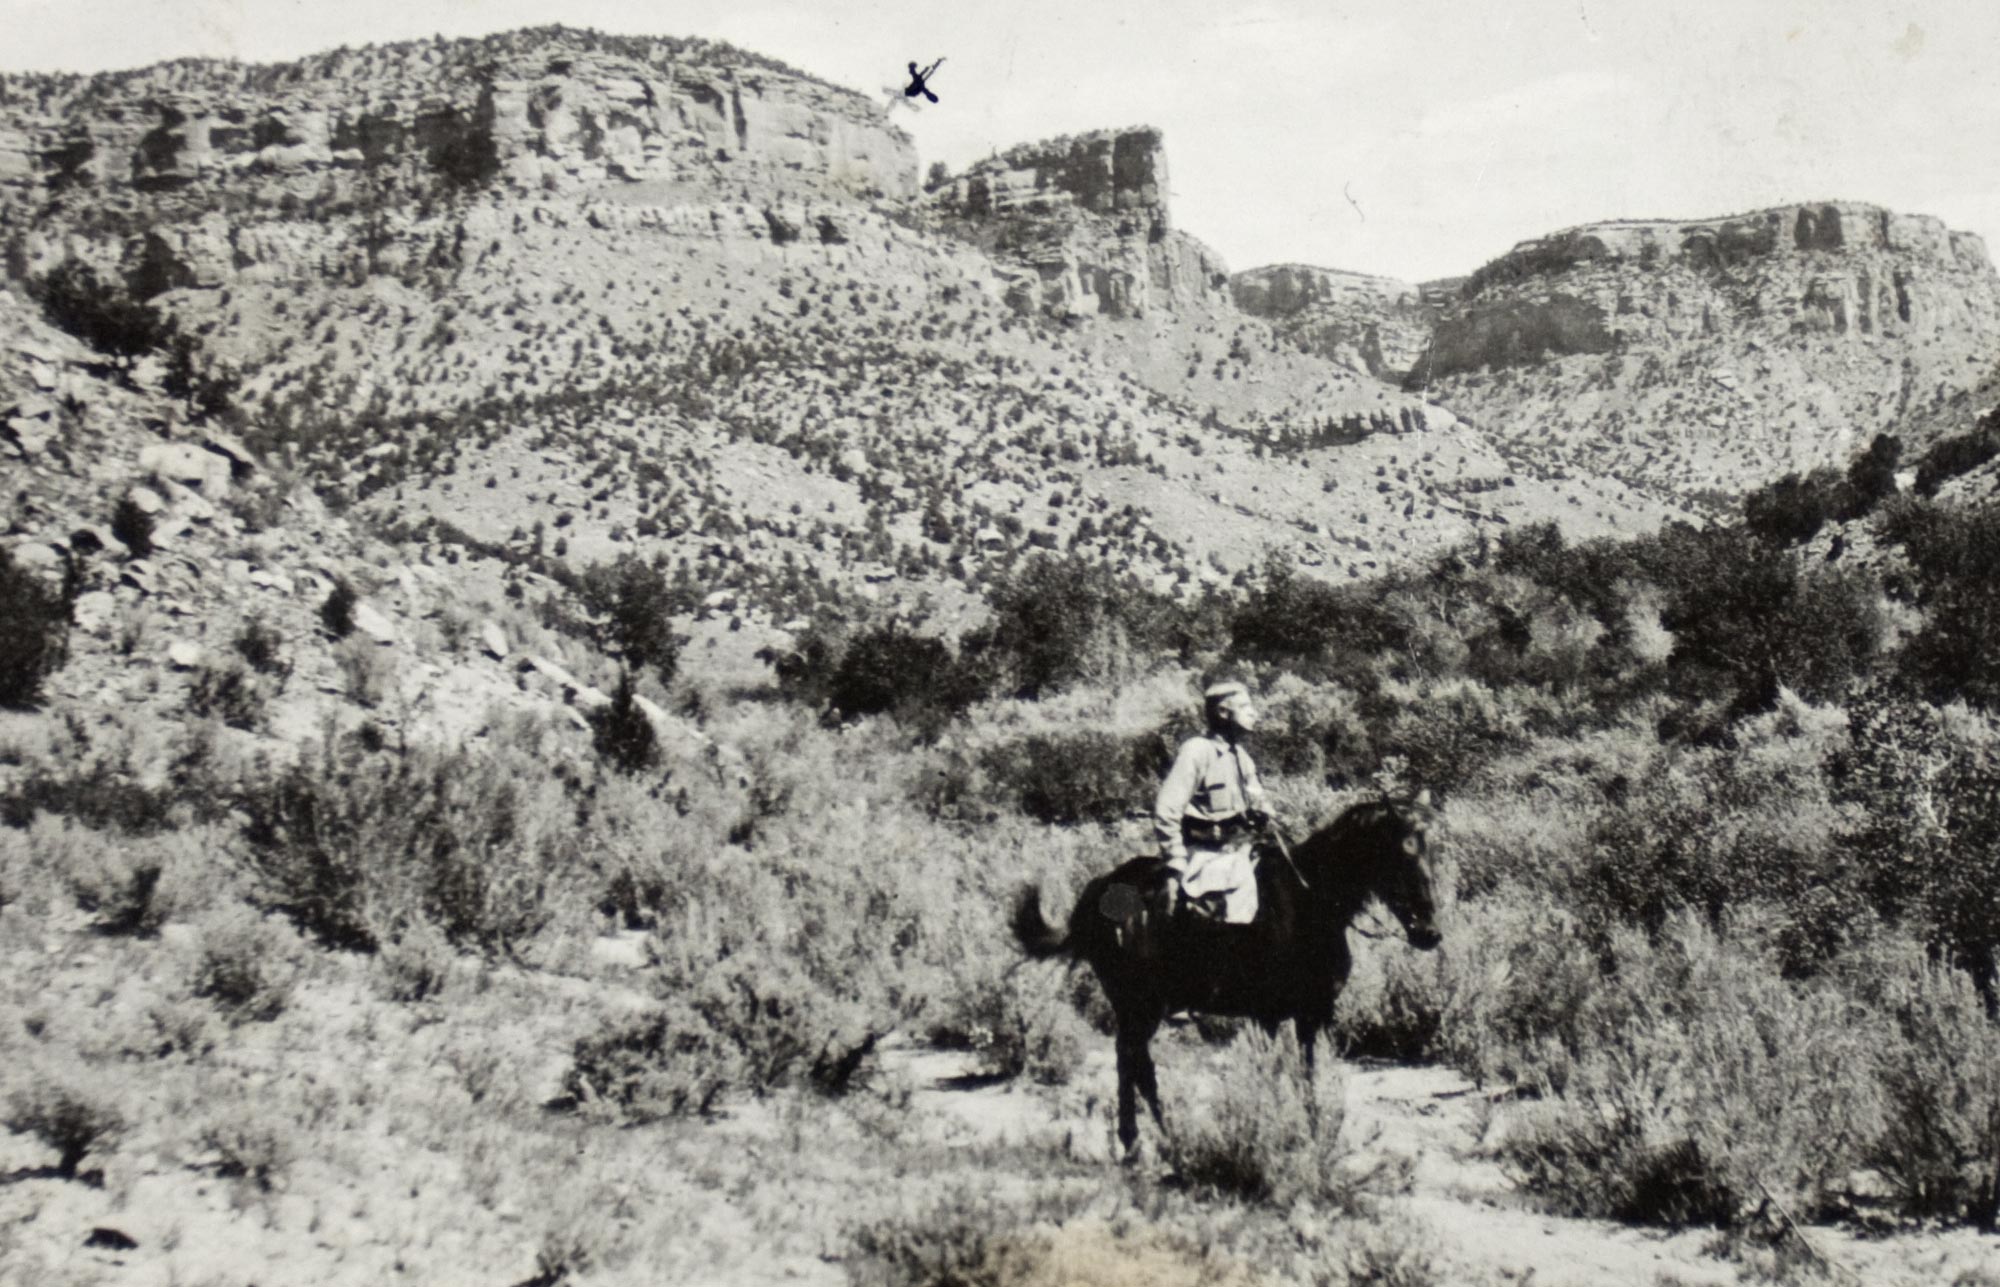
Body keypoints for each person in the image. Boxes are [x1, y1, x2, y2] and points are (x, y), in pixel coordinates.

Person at [1154, 680, 1271, 926]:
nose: (1254, 713)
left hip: (1241, 849)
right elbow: (1167, 810)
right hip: (1204, 853)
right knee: (1239, 884)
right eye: (1245, 706)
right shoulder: (1197, 751)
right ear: (1223, 712)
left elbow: (1259, 799)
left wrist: (1265, 814)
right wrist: (1175, 861)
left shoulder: (1242, 758)